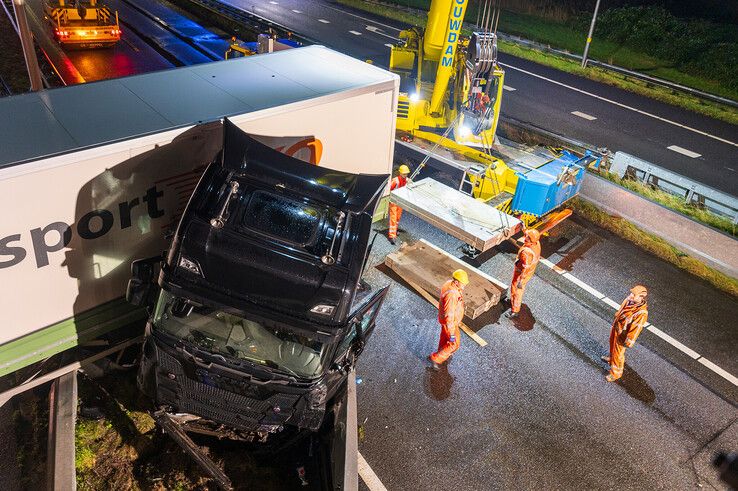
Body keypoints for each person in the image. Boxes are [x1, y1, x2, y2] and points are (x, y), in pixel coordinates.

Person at [602, 285, 648, 382]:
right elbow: (622, 308)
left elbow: (636, 329)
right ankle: (611, 358)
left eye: (633, 294)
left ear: (641, 297)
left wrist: (628, 341)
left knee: (618, 354)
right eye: (631, 293)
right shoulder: (630, 300)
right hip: (617, 327)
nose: (630, 295)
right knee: (612, 344)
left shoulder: (641, 313)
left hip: (623, 335)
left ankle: (616, 373)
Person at [429, 269, 468, 370]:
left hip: (446, 322)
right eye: (463, 284)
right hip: (450, 324)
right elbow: (449, 315)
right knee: (454, 343)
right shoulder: (452, 295)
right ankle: (436, 358)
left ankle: (442, 353)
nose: (464, 286)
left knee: (444, 339)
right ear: (456, 282)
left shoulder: (449, 284)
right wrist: (451, 333)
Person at [506, 228, 541, 318]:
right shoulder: (537, 243)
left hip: (521, 272)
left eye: (527, 237)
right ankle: (514, 306)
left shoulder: (526, 252)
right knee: (516, 288)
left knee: (517, 290)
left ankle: (515, 310)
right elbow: (527, 233)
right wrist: (523, 227)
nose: (525, 237)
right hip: (530, 270)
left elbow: (525, 267)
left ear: (531, 240)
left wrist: (521, 281)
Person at [387, 164, 411, 245]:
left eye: (406, 174)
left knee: (397, 217)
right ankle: (392, 236)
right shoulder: (395, 181)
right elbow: (388, 189)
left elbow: (411, 185)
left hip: (400, 201)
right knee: (393, 218)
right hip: (394, 202)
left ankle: (395, 230)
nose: (405, 175)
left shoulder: (406, 180)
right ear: (400, 173)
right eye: (404, 174)